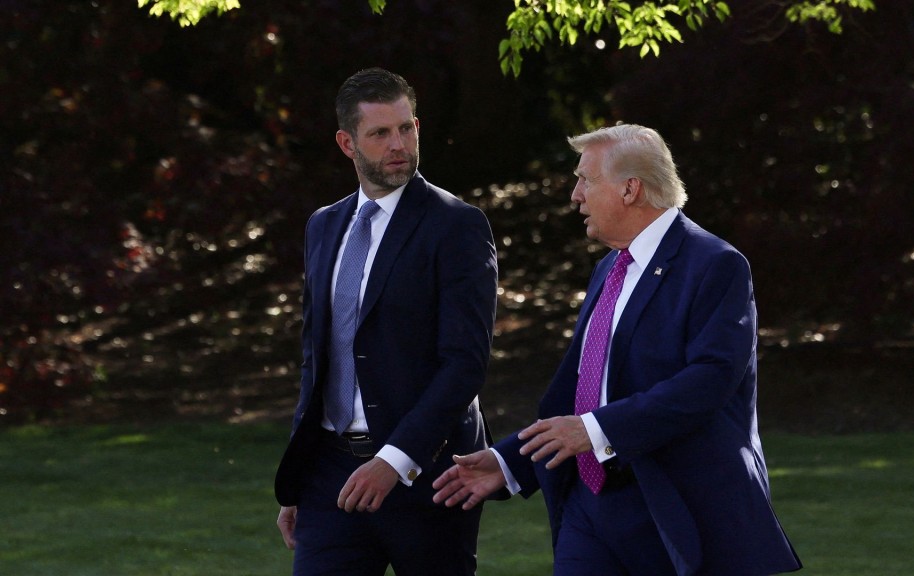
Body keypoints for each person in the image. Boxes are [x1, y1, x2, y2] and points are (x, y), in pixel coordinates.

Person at [433, 124, 801, 575]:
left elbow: (710, 380)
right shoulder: (610, 267)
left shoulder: (716, 264)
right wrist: (509, 463)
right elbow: (583, 389)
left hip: (677, 509)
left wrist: (597, 431)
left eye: (586, 179)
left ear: (631, 189)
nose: (575, 195)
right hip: (591, 506)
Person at [274, 67, 498, 576]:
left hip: (431, 473)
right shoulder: (323, 225)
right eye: (379, 133)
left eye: (406, 128)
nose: (398, 144)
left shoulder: (457, 225)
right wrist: (299, 476)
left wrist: (394, 460)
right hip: (329, 475)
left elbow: (465, 364)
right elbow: (318, 357)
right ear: (346, 143)